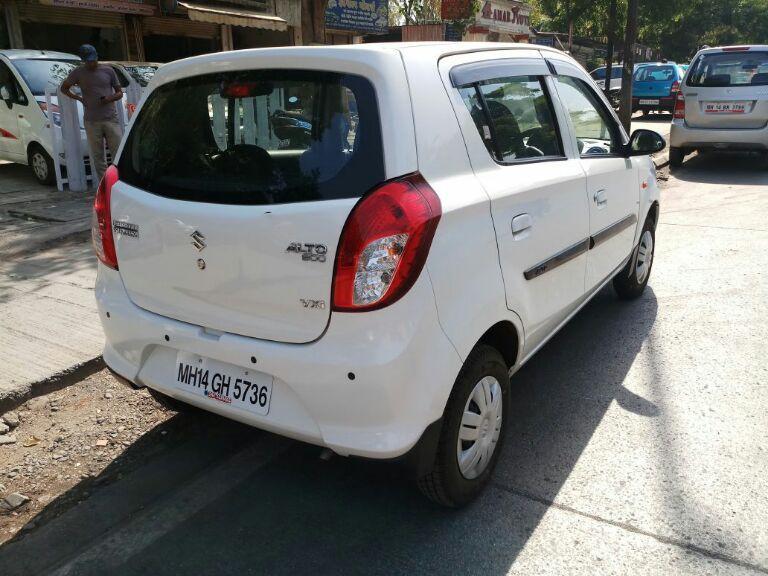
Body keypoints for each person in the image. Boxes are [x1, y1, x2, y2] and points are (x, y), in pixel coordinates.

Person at [60, 44, 123, 186]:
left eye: (93, 60)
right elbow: (64, 88)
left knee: (117, 152)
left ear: (97, 57)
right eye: (88, 61)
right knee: (97, 156)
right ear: (83, 60)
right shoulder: (78, 72)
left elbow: (119, 92)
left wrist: (109, 98)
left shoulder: (108, 70)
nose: (92, 63)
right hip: (91, 120)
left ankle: (120, 182)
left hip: (110, 118)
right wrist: (79, 98)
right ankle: (105, 185)